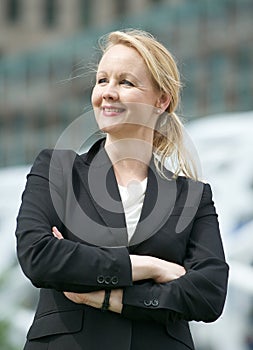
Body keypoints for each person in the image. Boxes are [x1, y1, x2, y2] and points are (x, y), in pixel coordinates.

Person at [15, 29, 229, 350]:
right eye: (102, 80)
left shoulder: (193, 197)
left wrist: (114, 299)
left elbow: (209, 293)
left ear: (161, 100)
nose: (108, 92)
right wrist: (151, 267)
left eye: (125, 82)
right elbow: (40, 256)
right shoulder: (57, 169)